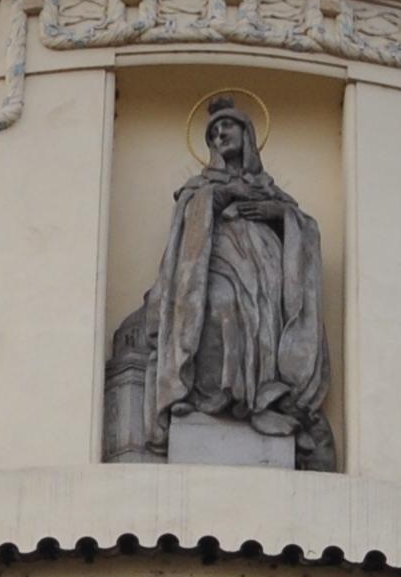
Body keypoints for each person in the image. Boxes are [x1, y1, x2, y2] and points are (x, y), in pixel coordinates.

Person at [103, 99, 335, 466]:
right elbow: (186, 232)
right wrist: (222, 195)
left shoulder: (270, 190)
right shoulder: (200, 186)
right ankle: (213, 398)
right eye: (213, 132)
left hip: (266, 275)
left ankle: (260, 400)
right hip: (217, 264)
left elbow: (305, 230)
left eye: (227, 127)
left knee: (263, 326)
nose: (220, 135)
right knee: (219, 306)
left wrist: (279, 214)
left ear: (248, 134)